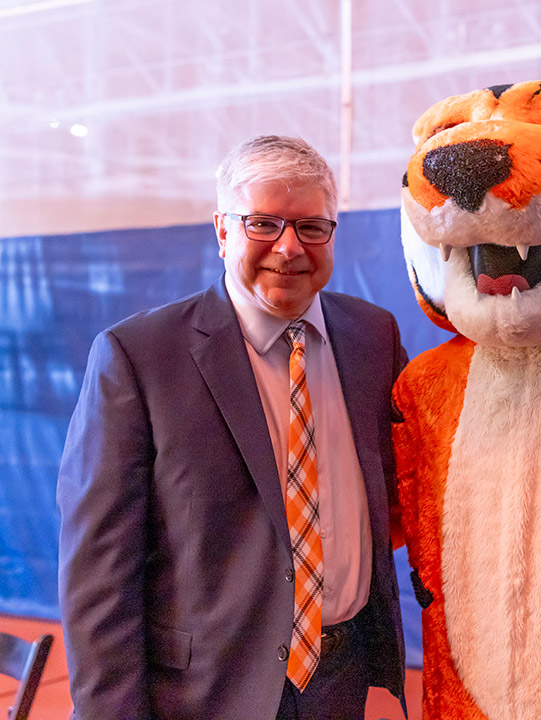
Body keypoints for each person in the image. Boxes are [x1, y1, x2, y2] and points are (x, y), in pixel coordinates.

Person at [57, 135, 407, 720]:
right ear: (222, 231)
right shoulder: (139, 356)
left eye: (311, 226)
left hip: (341, 681)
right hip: (206, 692)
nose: (289, 247)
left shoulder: (373, 336)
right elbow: (100, 570)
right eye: (263, 224)